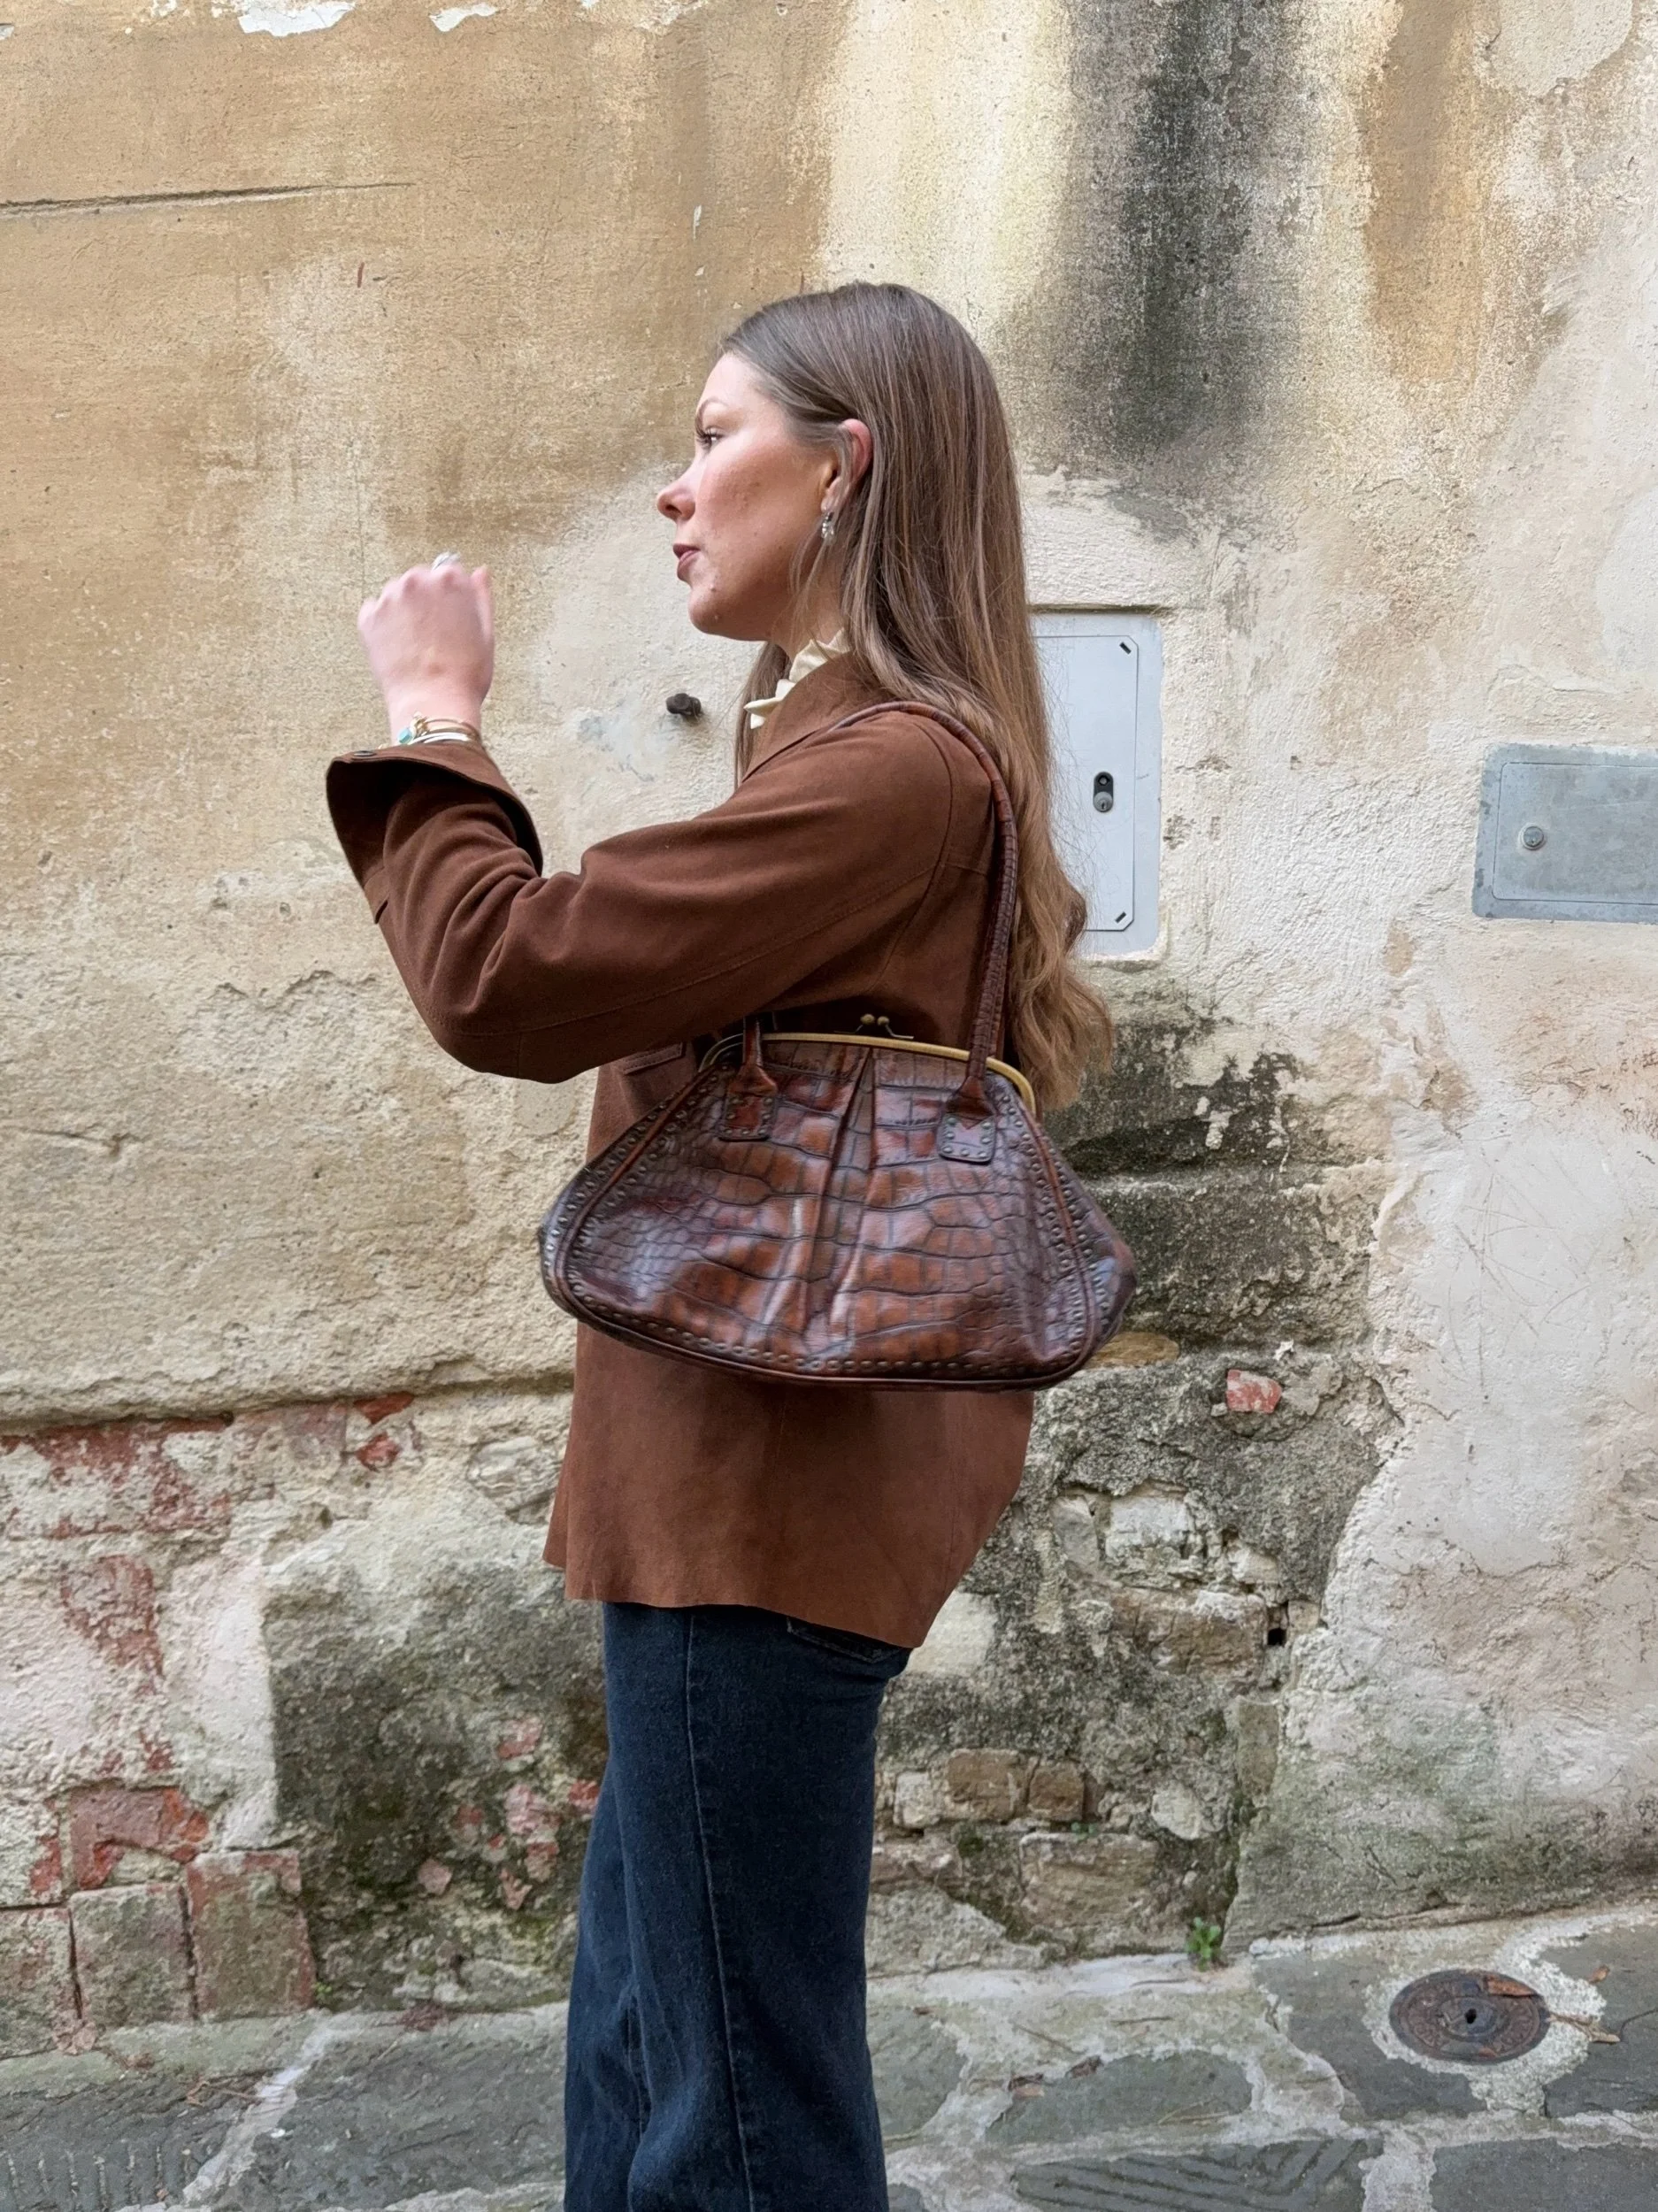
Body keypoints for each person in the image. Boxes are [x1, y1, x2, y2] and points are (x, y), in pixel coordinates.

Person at [327, 281, 1110, 2212]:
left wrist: (433, 720)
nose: (675, 492)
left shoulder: (893, 770)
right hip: (732, 1485)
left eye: (711, 438)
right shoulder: (846, 752)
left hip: (762, 1491)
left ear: (843, 469)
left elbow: (505, 975)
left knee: (734, 2110)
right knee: (654, 2047)